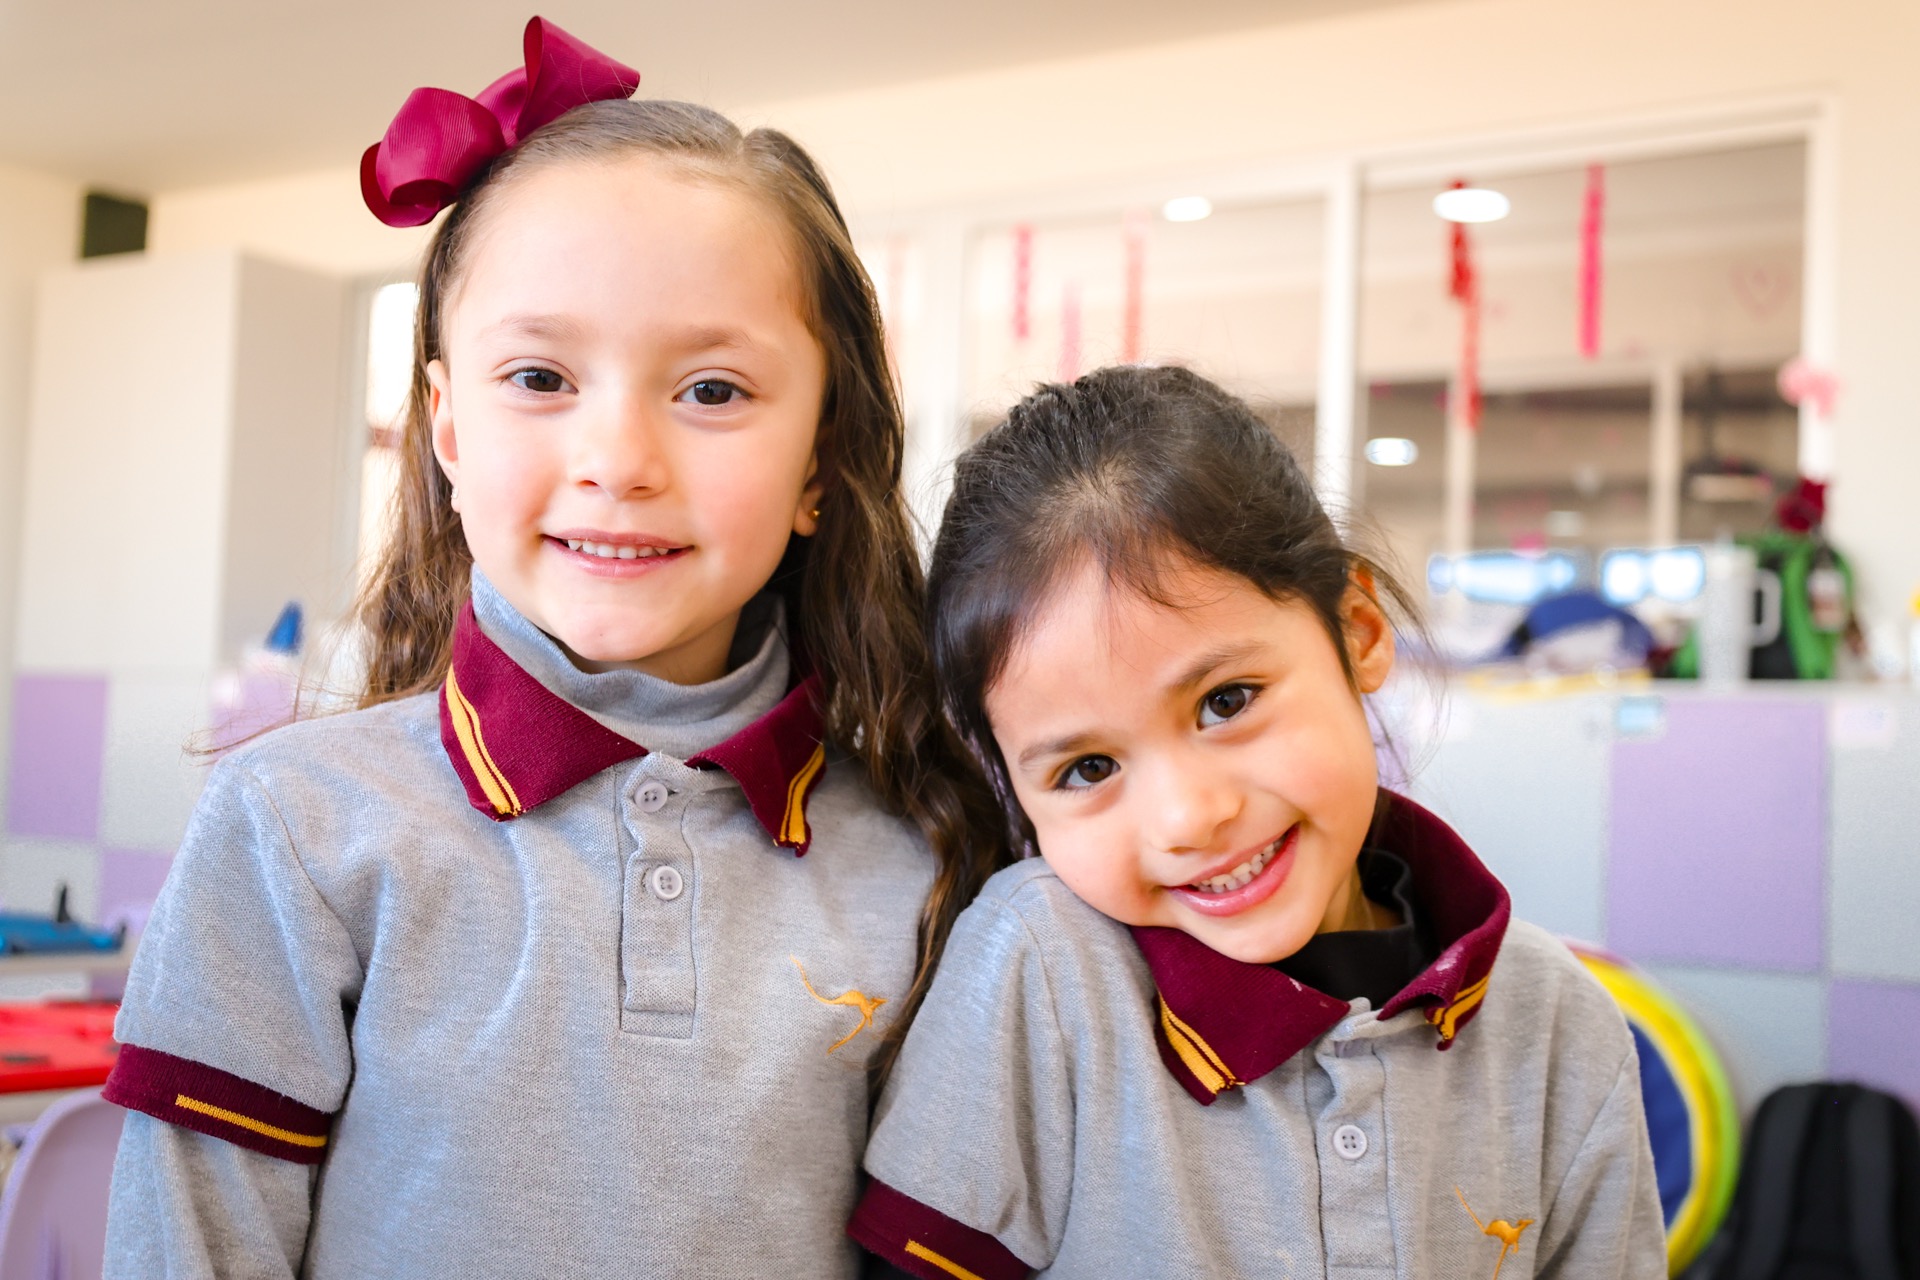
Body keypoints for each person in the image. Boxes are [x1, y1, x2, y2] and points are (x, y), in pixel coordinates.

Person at [102, 19, 1000, 1278]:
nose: (619, 460)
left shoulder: (925, 849)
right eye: (538, 375)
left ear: (822, 460)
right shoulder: (296, 827)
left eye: (712, 392)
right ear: (447, 425)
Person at [849, 365, 1665, 1279]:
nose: (1190, 817)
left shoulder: (1558, 1027)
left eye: (1226, 701)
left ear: (1356, 630)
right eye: (1087, 769)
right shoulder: (1042, 969)